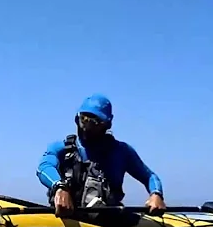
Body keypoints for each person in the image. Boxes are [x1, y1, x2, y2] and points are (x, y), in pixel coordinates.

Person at [36, 93, 167, 217]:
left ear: (107, 125)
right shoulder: (61, 148)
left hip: (108, 223)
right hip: (66, 218)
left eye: (94, 122)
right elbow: (44, 167)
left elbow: (150, 176)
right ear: (77, 119)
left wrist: (156, 194)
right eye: (84, 119)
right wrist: (59, 187)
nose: (86, 127)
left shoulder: (122, 151)